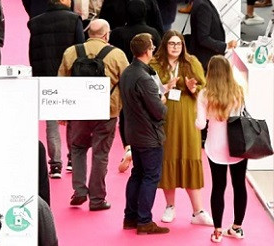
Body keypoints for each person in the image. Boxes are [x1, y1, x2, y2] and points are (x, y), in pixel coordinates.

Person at [59, 19, 128, 210]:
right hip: (107, 111)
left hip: (79, 110)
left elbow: (61, 82)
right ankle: (97, 199)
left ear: (88, 33)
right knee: (101, 154)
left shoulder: (71, 52)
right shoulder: (116, 55)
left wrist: (63, 113)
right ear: (106, 35)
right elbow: (127, 82)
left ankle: (79, 190)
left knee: (78, 149)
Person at [152, 31, 212, 226]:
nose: (175, 47)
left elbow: (204, 88)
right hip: (165, 117)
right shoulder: (155, 64)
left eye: (178, 43)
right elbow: (147, 90)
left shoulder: (191, 62)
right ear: (165, 45)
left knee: (190, 157)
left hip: (188, 118)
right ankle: (170, 206)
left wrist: (194, 88)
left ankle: (198, 211)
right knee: (168, 158)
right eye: (172, 43)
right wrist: (164, 88)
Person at [28, 0, 85, 178]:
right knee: (72, 119)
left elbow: (33, 53)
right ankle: (72, 159)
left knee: (51, 122)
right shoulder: (74, 20)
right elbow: (80, 49)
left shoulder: (36, 23)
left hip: (46, 77)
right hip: (69, 76)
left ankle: (55, 165)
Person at [119, 33, 170, 235]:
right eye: (152, 46)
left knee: (138, 174)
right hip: (149, 135)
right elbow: (159, 111)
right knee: (150, 177)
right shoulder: (144, 78)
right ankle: (144, 220)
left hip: (134, 132)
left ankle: (130, 217)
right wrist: (162, 100)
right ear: (148, 51)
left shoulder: (127, 73)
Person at [196, 55, 247, 242]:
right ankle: (237, 228)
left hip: (215, 146)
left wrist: (196, 119)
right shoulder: (238, 91)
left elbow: (201, 124)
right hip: (238, 145)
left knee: (218, 187)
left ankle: (217, 231)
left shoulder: (204, 94)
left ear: (210, 72)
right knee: (239, 185)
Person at [188, 0, 238, 71]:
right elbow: (203, 38)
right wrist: (226, 46)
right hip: (206, 60)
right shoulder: (203, 6)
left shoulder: (205, 0)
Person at [109, 0, 162, 64]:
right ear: (145, 12)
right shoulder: (153, 33)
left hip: (120, 68)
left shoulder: (117, 33)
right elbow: (159, 54)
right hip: (146, 68)